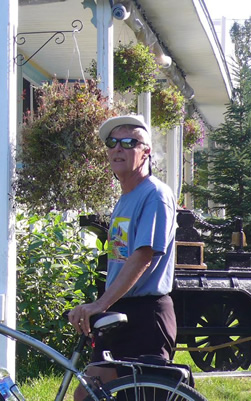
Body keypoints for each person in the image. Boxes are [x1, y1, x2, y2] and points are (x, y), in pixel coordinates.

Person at [68, 114, 177, 400]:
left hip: (145, 316)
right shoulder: (126, 197)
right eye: (112, 142)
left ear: (146, 152)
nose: (118, 148)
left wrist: (100, 304)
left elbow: (143, 257)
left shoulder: (154, 195)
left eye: (130, 142)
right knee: (86, 394)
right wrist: (101, 307)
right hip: (120, 312)